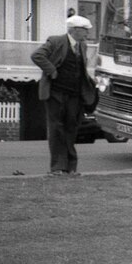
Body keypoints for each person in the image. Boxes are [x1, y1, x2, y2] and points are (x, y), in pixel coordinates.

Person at [31, 15, 97, 176]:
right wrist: (51, 71)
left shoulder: (82, 46)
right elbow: (37, 55)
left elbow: (81, 69)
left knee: (71, 129)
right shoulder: (55, 41)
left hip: (74, 95)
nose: (87, 34)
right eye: (85, 31)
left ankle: (71, 168)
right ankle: (57, 168)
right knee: (56, 129)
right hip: (55, 93)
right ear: (75, 30)